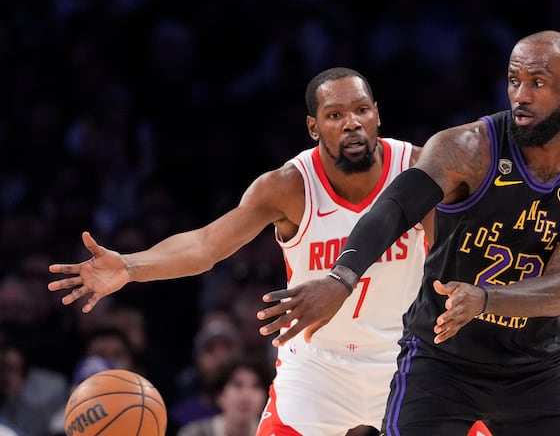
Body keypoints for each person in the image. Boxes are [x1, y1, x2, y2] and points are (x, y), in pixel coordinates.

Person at [258, 30, 560, 435]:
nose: (521, 96)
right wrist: (342, 278)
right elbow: (396, 206)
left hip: (535, 367)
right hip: (441, 362)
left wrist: (485, 300)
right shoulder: (469, 147)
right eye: (514, 81)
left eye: (538, 83)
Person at [48, 67, 431, 436]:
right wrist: (131, 266)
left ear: (377, 114)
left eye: (361, 110)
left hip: (406, 357)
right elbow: (205, 245)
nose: (352, 122)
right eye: (335, 114)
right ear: (313, 127)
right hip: (318, 370)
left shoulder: (419, 171)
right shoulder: (288, 186)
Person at [177, 355, 274, 436]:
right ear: (220, 396)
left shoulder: (275, 434)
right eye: (238, 385)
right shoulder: (194, 433)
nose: (247, 394)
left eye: (256, 386)